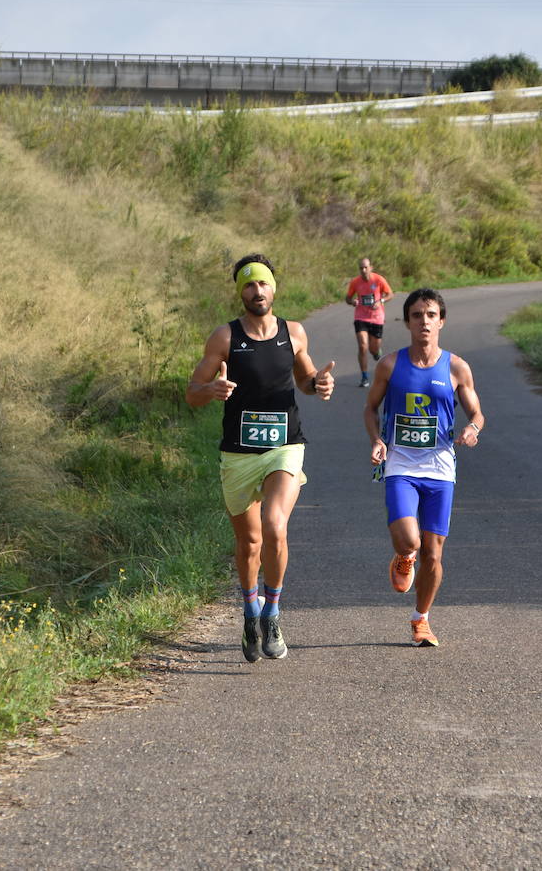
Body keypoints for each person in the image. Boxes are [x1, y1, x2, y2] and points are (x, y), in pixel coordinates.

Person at [187, 254, 335, 662]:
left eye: (263, 284)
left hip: (285, 445)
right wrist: (210, 391)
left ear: (274, 288)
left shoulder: (294, 332)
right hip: (238, 452)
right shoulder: (224, 338)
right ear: (241, 292)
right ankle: (250, 610)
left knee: (274, 524)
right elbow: (192, 391)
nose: (257, 292)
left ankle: (272, 611)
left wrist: (318, 383)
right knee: (248, 541)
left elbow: (304, 380)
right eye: (249, 285)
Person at [362, 288, 484, 647]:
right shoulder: (389, 364)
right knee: (410, 540)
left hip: (441, 467)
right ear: (407, 322)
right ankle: (404, 557)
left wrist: (472, 429)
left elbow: (477, 412)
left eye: (431, 315)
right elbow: (370, 408)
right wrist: (377, 440)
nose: (424, 322)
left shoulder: (457, 367)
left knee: (434, 553)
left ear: (441, 321)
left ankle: (421, 620)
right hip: (400, 464)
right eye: (417, 315)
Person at [344, 257, 393, 388]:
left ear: (371, 267)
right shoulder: (355, 282)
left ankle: (377, 352)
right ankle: (364, 377)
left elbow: (390, 294)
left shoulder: (378, 280)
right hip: (361, 318)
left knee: (373, 348)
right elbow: (348, 298)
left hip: (377, 317)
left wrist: (380, 301)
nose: (363, 270)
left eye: (366, 267)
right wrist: (352, 302)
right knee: (363, 346)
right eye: (361, 268)